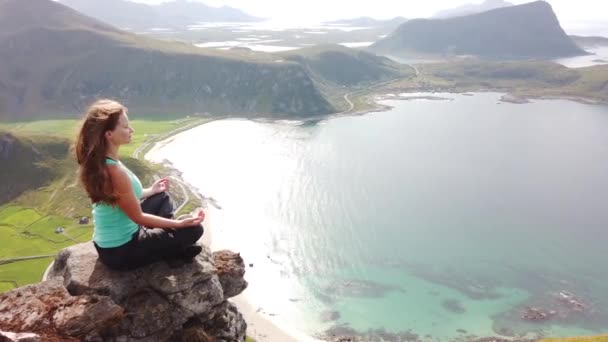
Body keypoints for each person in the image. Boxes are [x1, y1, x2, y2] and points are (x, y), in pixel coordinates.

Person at [74, 99, 205, 271]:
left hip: (110, 246)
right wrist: (179, 226)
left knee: (161, 196)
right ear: (109, 134)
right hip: (122, 251)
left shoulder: (102, 162)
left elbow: (123, 197)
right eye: (125, 126)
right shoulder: (115, 172)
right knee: (195, 230)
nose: (131, 129)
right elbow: (138, 218)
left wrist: (151, 191)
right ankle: (175, 250)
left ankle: (172, 244)